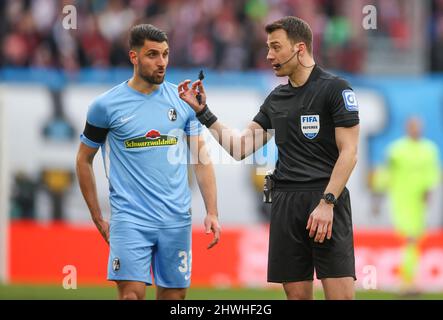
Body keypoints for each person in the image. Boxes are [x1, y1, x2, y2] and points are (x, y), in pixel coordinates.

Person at [179, 16, 359, 300]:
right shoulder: (277, 98)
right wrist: (204, 113)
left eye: (276, 47)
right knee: (297, 297)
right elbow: (239, 148)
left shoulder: (335, 89)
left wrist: (327, 202)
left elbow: (349, 152)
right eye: (267, 48)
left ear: (300, 48)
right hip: (286, 201)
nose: (269, 55)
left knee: (341, 298)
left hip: (326, 200)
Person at [76, 24, 221, 300]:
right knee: (131, 296)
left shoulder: (182, 101)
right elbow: (83, 160)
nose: (162, 62)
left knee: (175, 299)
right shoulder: (105, 106)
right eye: (153, 55)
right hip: (130, 219)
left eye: (165, 54)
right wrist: (96, 215)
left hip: (176, 219)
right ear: (134, 57)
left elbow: (201, 158)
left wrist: (212, 211)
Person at [372, 117, 440, 292]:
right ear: (407, 128)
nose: (415, 129)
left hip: (418, 203)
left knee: (414, 239)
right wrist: (378, 198)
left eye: (418, 126)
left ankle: (407, 280)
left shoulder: (429, 149)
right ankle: (405, 280)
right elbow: (385, 173)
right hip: (400, 200)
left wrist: (428, 192)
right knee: (409, 238)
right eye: (412, 126)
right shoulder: (396, 150)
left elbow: (432, 174)